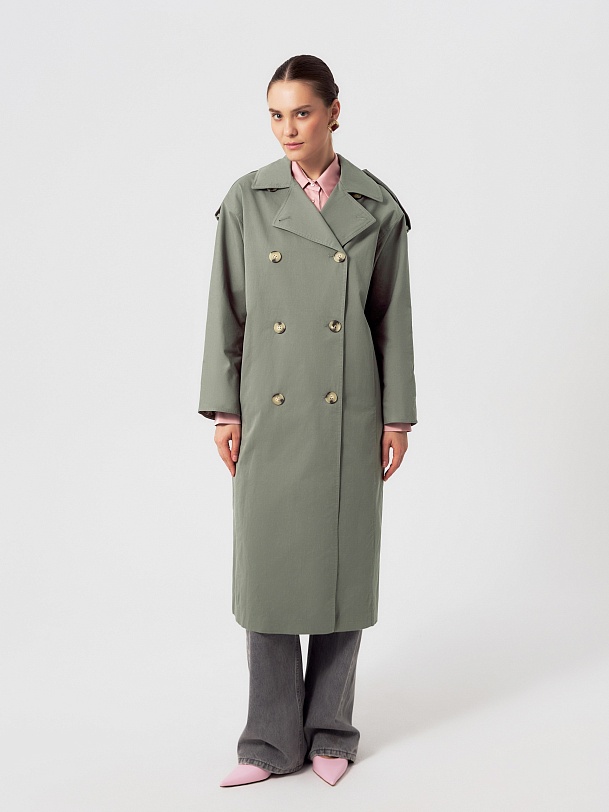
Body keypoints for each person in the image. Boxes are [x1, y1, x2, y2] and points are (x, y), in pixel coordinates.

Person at [198, 54, 417, 787]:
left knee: (340, 572)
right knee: (267, 575)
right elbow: (226, 310)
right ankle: (267, 741)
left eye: (301, 112)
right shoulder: (247, 198)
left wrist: (396, 418)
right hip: (269, 408)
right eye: (275, 114)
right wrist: (225, 406)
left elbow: (390, 321)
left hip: (348, 411)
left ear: (333, 112)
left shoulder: (376, 207)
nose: (287, 129)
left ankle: (331, 730)